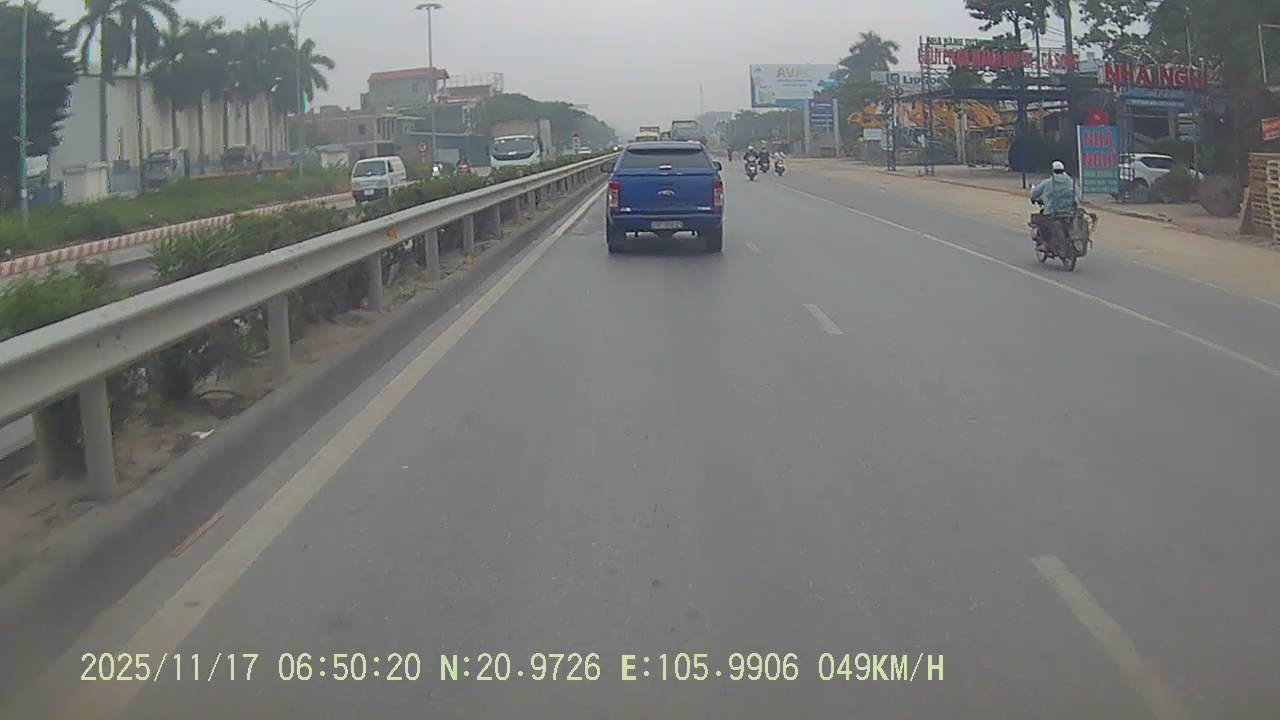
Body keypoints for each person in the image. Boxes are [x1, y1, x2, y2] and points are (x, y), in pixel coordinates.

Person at [1030, 160, 1080, 249]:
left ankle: (1045, 243)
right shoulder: (1071, 182)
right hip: (1069, 212)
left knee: (1042, 223)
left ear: (1052, 170)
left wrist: (1033, 190)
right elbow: (1078, 195)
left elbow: (1034, 194)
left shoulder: (1048, 182)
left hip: (1052, 212)